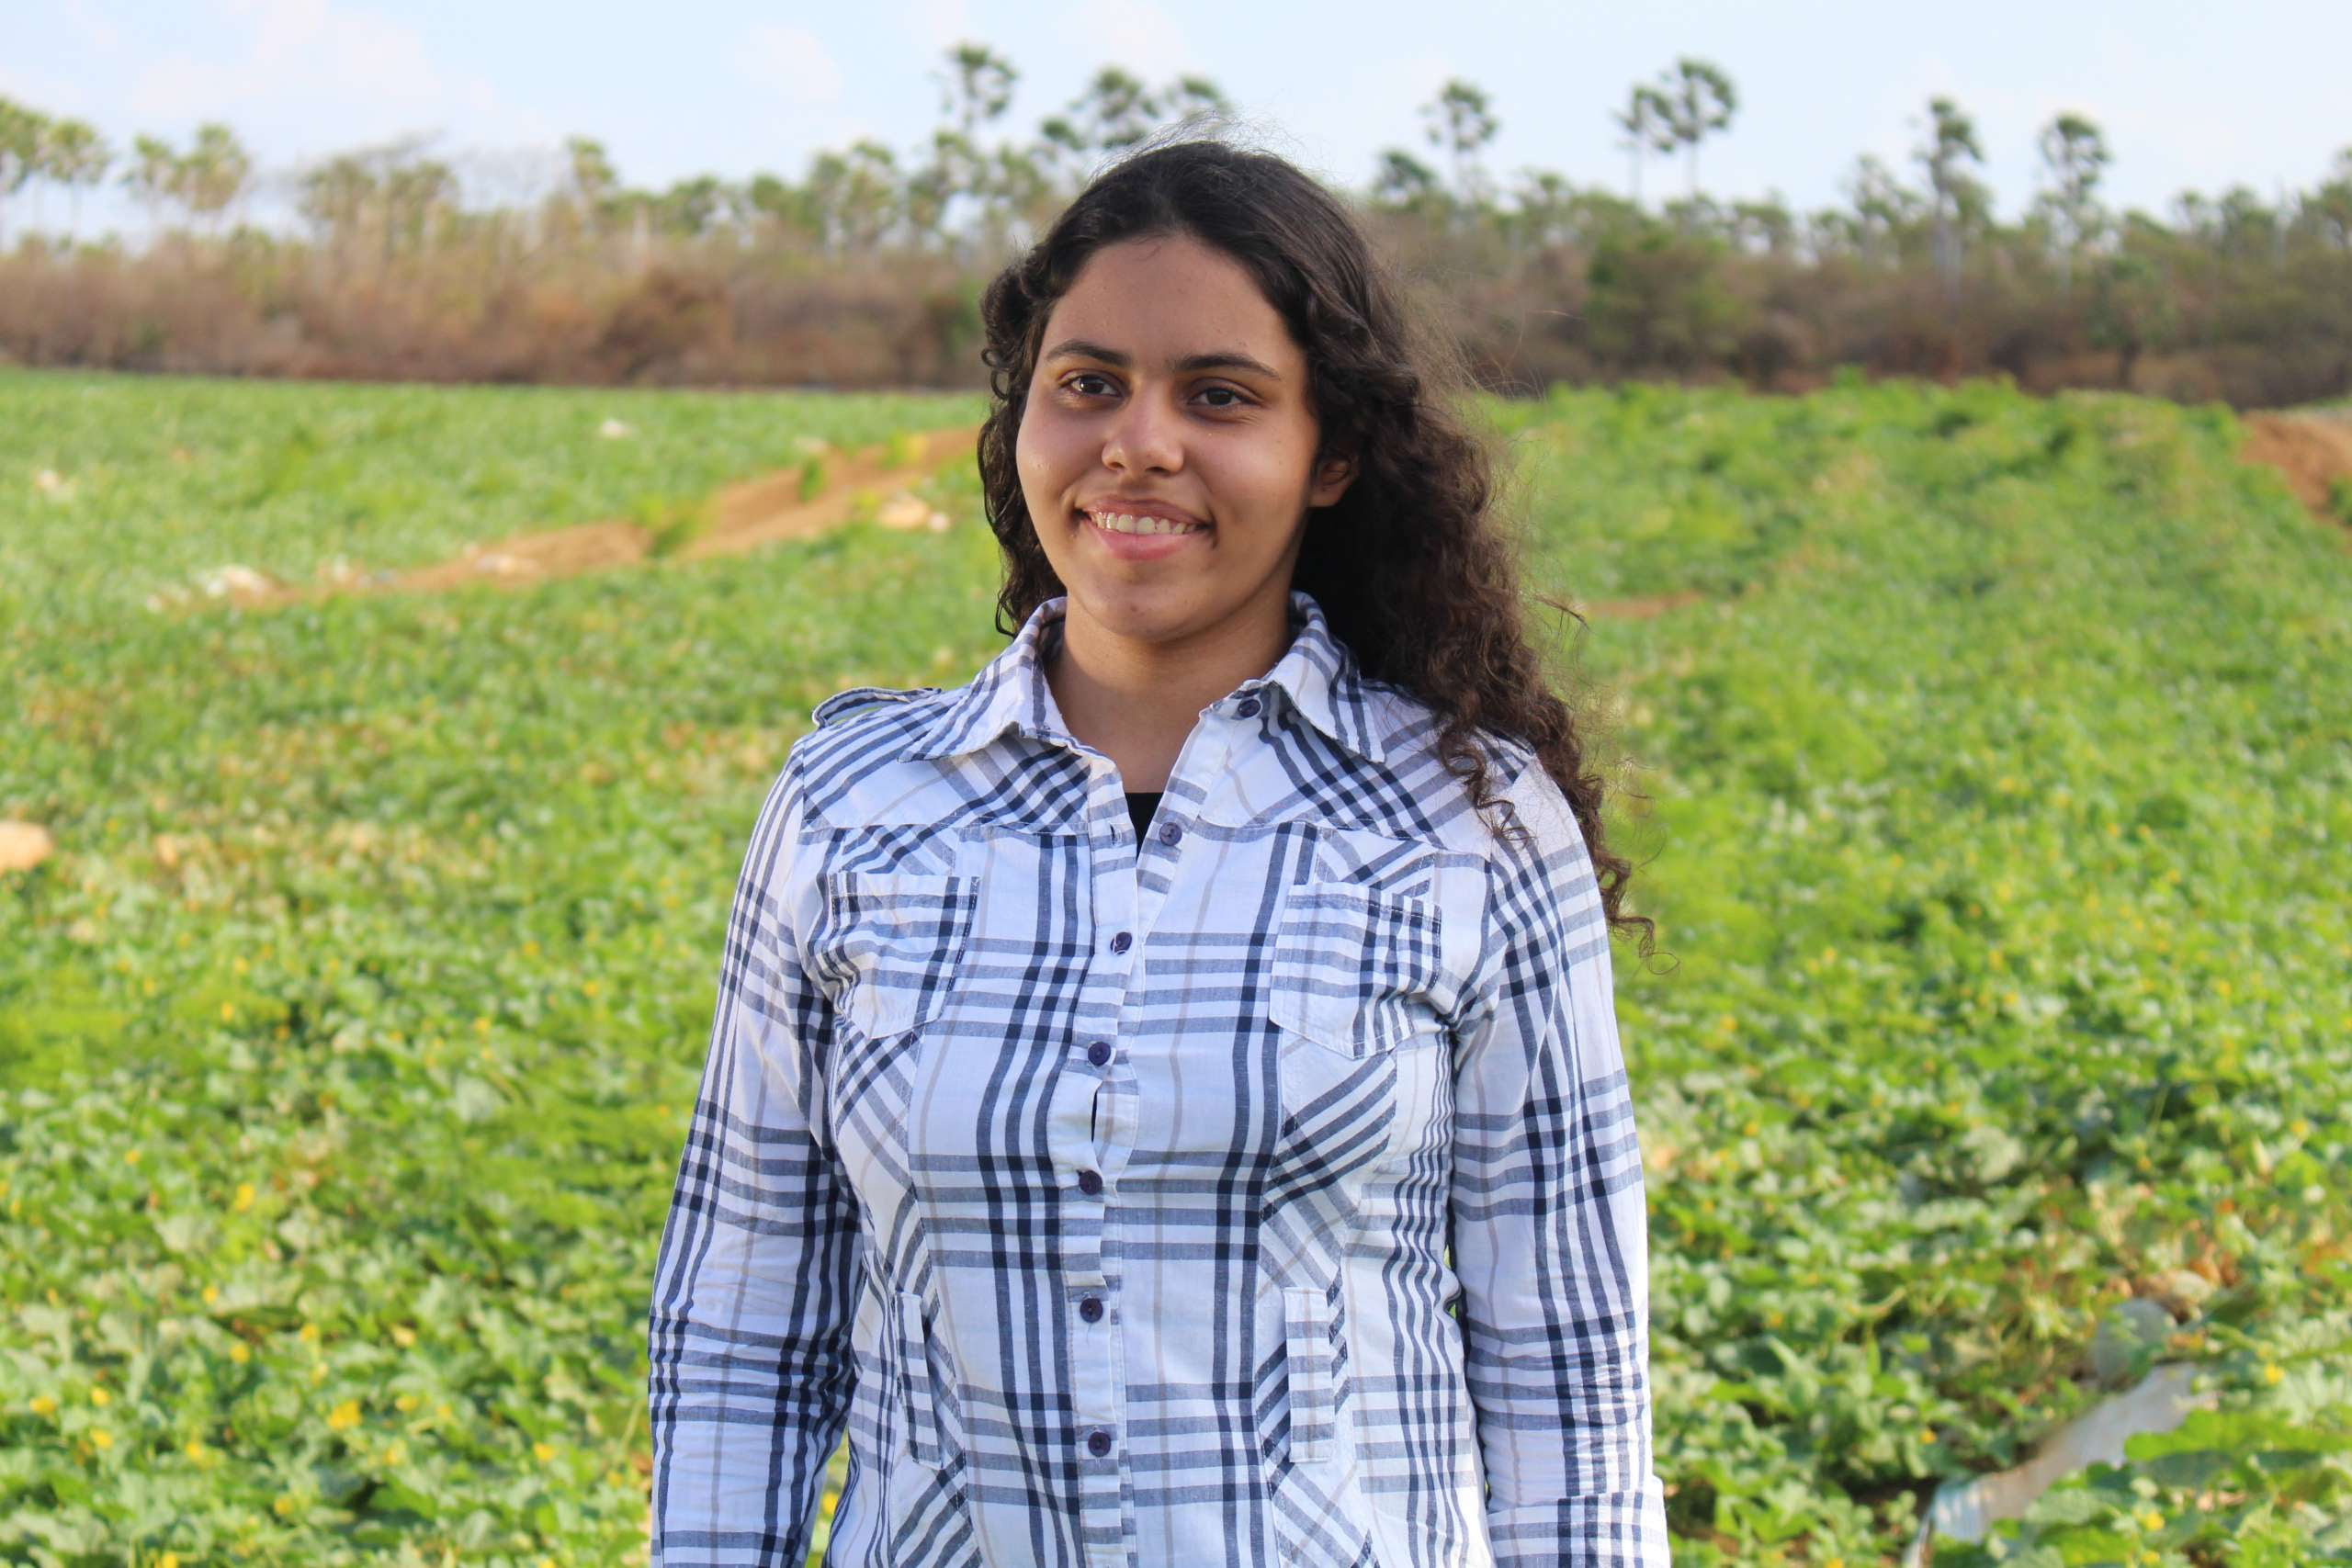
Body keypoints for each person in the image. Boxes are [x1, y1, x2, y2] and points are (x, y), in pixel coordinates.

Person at [647, 127, 1670, 1568]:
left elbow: (1566, 1373)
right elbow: (745, 1328)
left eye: (1222, 396)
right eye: (1090, 385)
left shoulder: (1472, 823)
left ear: (1332, 457)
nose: (1140, 441)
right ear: (1024, 421)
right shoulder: (855, 801)